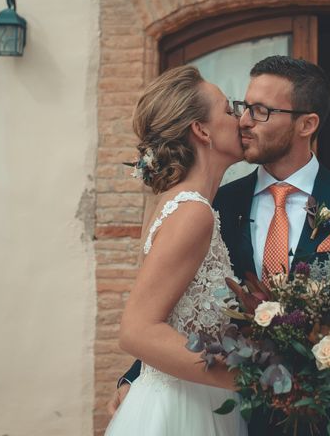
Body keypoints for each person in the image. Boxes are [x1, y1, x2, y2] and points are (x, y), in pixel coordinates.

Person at [112, 56, 330, 435]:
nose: (244, 120)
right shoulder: (216, 205)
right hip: (235, 414)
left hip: (325, 422)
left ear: (307, 124)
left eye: (261, 111)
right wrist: (137, 376)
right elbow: (170, 306)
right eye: (241, 107)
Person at [104, 65, 248, 436]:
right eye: (228, 110)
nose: (241, 118)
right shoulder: (193, 212)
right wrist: (249, 377)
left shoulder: (174, 204)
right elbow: (136, 330)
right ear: (201, 131)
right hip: (181, 410)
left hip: (193, 398)